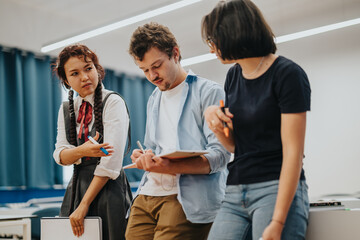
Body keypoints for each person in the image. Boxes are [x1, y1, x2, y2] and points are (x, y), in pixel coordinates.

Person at [202, 1, 311, 240]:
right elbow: (235, 146)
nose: (212, 48)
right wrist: (212, 117)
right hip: (235, 189)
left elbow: (293, 153)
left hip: (275, 187)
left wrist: (278, 221)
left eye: (213, 39)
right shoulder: (233, 75)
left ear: (233, 33)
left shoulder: (287, 74)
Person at [125, 22, 230, 240]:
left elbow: (220, 156)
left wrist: (170, 166)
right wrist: (144, 156)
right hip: (147, 194)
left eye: (157, 65)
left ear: (175, 53)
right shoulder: (154, 98)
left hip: (186, 197)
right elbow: (152, 146)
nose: (152, 76)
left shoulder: (208, 92)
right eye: (145, 70)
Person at [53, 44, 132, 240]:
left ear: (97, 69)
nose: (85, 77)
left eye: (88, 68)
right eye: (75, 73)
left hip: (109, 189)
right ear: (66, 80)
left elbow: (110, 163)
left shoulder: (113, 102)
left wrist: (84, 204)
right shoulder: (65, 109)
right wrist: (81, 151)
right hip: (77, 188)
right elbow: (60, 155)